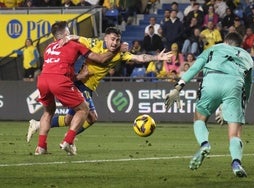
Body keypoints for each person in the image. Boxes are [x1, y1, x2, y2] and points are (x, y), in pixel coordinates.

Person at [27, 27, 172, 152]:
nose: (114, 43)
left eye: (117, 40)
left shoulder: (121, 53)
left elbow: (140, 58)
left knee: (69, 119)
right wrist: (67, 37)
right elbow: (77, 37)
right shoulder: (94, 43)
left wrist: (157, 57)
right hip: (81, 84)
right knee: (91, 116)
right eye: (112, 39)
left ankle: (39, 125)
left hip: (88, 87)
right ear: (106, 38)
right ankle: (68, 140)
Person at [165, 32, 254, 178]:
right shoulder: (247, 56)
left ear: (225, 41)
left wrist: (178, 87)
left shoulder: (214, 48)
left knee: (199, 118)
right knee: (235, 132)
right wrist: (243, 105)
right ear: (239, 45)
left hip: (212, 78)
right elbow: (249, 84)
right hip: (235, 84)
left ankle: (204, 143)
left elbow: (194, 68)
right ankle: (236, 162)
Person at [34, 21, 120, 155]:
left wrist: (78, 76)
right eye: (69, 32)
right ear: (65, 34)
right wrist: (118, 50)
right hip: (59, 80)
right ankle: (68, 141)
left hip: (43, 79)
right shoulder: (74, 44)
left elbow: (56, 66)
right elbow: (100, 59)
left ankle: (41, 147)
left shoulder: (49, 47)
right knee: (83, 109)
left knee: (48, 112)